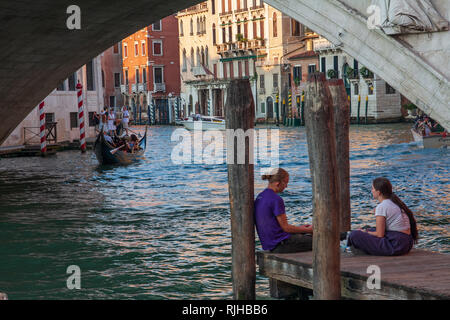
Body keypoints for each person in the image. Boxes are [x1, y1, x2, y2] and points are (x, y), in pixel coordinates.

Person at [347, 177, 418, 256]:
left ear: (379, 192)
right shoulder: (395, 203)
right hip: (406, 244)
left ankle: (350, 244)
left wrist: (365, 232)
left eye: (373, 188)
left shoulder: (382, 206)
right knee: (367, 228)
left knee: (355, 235)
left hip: (396, 245)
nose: (372, 191)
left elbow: (380, 234)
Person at [254, 168, 314, 253]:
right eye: (286, 183)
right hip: (280, 245)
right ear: (278, 183)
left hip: (270, 244)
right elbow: (286, 228)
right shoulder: (276, 199)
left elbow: (277, 226)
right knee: (322, 239)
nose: (286, 186)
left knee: (306, 234)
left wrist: (301, 228)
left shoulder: (260, 196)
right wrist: (309, 230)